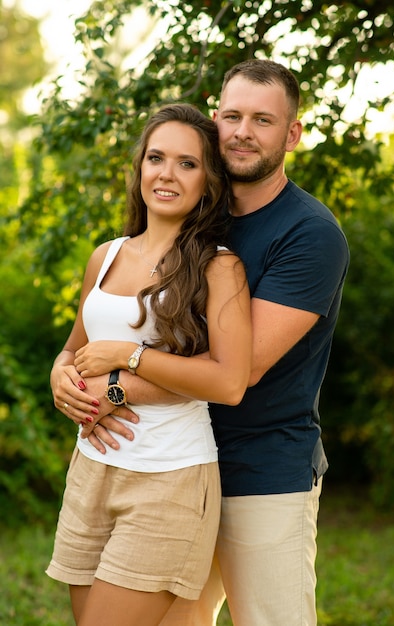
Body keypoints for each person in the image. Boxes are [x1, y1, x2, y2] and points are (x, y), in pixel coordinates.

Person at [56, 60, 350, 626]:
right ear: (215, 120)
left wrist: (108, 389)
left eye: (263, 120)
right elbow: (106, 327)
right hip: (167, 460)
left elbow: (242, 371)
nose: (243, 131)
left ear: (292, 135)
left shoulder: (308, 234)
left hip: (260, 468)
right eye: (232, 115)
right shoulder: (193, 217)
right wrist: (63, 375)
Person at [47, 103, 252, 626]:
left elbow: (229, 382)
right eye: (156, 157)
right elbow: (75, 346)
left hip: (169, 477)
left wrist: (130, 356)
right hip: (91, 468)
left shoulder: (218, 266)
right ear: (139, 167)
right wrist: (59, 375)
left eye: (187, 163)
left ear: (208, 181)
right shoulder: (106, 255)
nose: (166, 173)